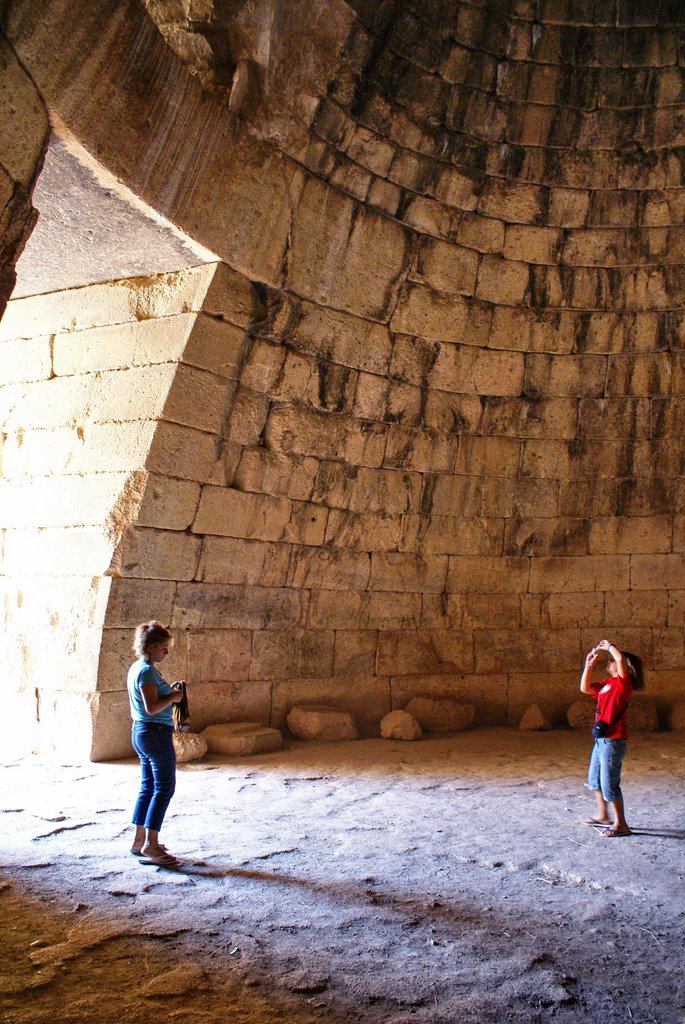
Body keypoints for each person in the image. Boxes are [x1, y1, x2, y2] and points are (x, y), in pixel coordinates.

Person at [127, 620, 186, 865]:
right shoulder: (147, 671)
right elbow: (151, 707)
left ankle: (139, 840)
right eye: (163, 647)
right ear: (151, 647)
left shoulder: (137, 667)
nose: (166, 652)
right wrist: (173, 697)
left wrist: (168, 692)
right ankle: (151, 846)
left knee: (148, 786)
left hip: (142, 733)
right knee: (163, 788)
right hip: (155, 733)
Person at [579, 639, 643, 838]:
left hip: (613, 740)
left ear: (624, 666)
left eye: (613, 660)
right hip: (601, 739)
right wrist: (588, 666)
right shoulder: (608, 684)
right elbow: (585, 688)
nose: (610, 662)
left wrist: (609, 646)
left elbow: (620, 659)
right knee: (594, 780)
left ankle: (621, 824)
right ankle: (603, 815)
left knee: (609, 784)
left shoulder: (624, 683)